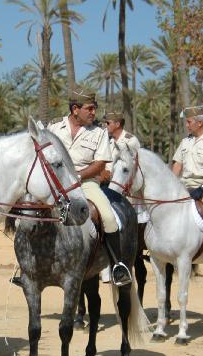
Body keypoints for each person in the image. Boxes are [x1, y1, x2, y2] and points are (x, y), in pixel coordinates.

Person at [48, 88, 132, 285]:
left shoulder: (99, 133)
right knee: (31, 212)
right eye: (90, 108)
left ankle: (117, 266)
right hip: (56, 184)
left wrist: (76, 176)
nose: (94, 113)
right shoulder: (53, 128)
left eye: (94, 108)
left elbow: (101, 164)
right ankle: (25, 265)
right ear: (75, 109)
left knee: (110, 218)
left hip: (86, 184)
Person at [171, 106, 203, 269]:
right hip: (184, 185)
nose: (186, 125)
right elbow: (177, 164)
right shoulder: (185, 141)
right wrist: (171, 184)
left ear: (200, 123)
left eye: (189, 122)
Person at [102, 111, 141, 182]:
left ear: (117, 124)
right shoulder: (108, 141)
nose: (105, 125)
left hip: (122, 185)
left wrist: (109, 174)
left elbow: (133, 166)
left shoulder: (130, 141)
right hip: (106, 182)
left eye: (108, 123)